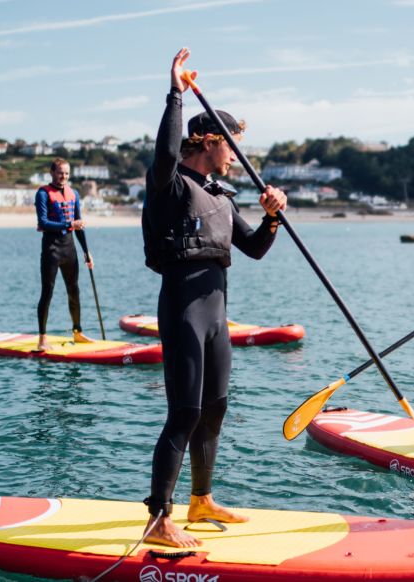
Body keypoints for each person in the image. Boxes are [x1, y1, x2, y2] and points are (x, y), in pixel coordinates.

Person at [140, 47, 287, 548]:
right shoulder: (171, 184)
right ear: (209, 141)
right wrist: (175, 94)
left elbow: (256, 249)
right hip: (182, 308)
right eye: (232, 146)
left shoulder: (220, 197)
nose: (237, 155)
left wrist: (271, 217)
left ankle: (200, 499)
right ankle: (158, 518)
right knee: (184, 410)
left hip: (217, 315)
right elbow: (164, 153)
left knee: (215, 405)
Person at [34, 158, 92, 351]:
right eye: (60, 173)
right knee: (47, 292)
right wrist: (69, 225)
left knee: (74, 291)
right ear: (52, 173)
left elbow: (79, 224)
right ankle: (42, 338)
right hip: (51, 250)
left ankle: (77, 332)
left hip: (70, 250)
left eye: (67, 173)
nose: (63, 176)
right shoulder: (43, 193)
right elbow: (43, 223)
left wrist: (86, 251)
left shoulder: (73, 193)